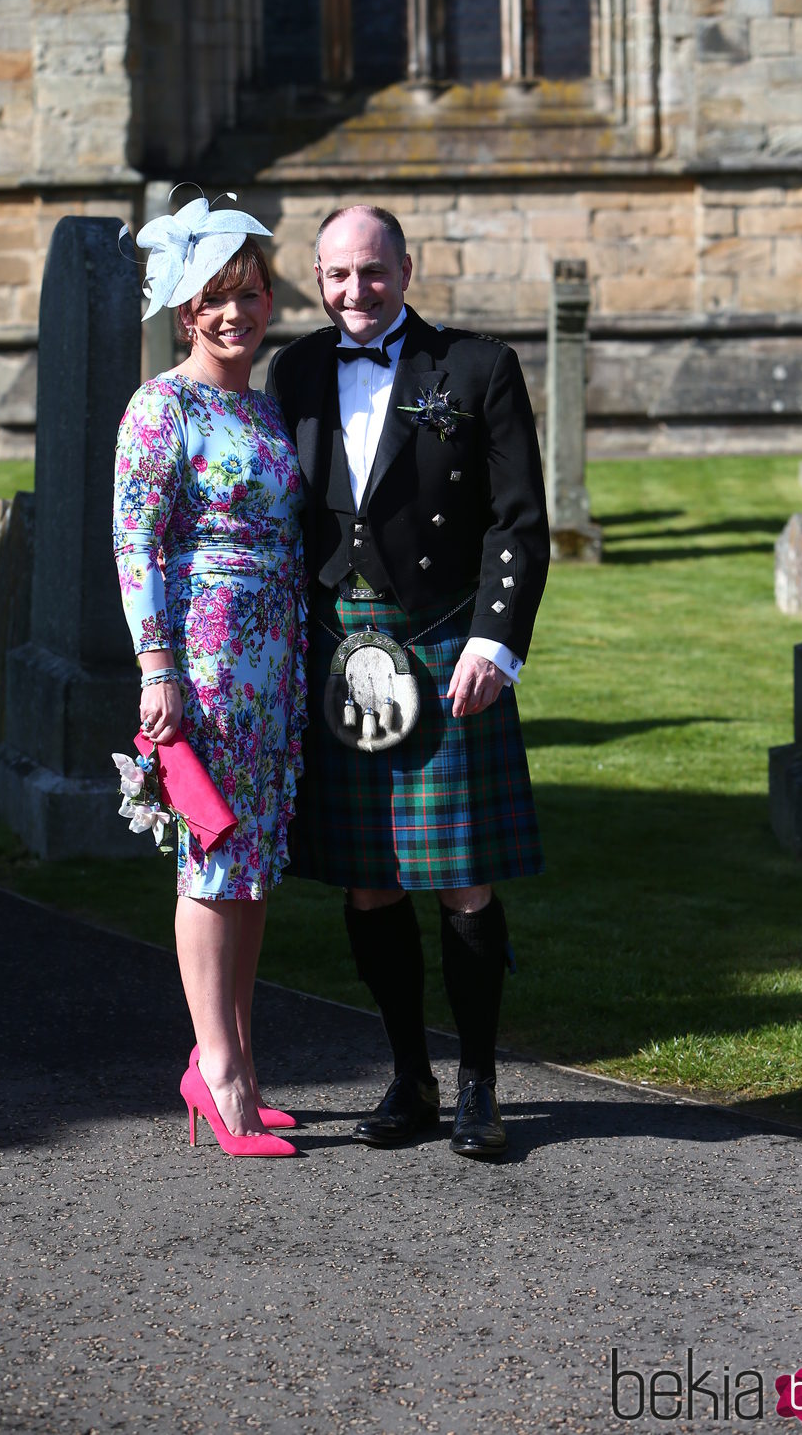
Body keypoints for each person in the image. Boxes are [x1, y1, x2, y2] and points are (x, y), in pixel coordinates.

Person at [267, 205, 549, 1158]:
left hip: (441, 641)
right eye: (338, 275)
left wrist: (494, 643)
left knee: (463, 878)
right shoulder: (295, 369)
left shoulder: (476, 366)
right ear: (317, 274)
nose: (356, 292)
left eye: (374, 273)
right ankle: (407, 1077)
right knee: (369, 881)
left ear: (407, 268)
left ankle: (478, 1082)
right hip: (343, 649)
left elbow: (518, 520)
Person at [113, 193, 306, 1158]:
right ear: (186, 309)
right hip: (205, 657)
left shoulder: (263, 409)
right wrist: (158, 669)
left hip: (277, 662)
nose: (238, 313)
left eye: (254, 294)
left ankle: (237, 1059)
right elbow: (134, 542)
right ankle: (215, 1068)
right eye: (218, 298)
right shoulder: (163, 405)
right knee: (214, 853)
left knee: (256, 860)